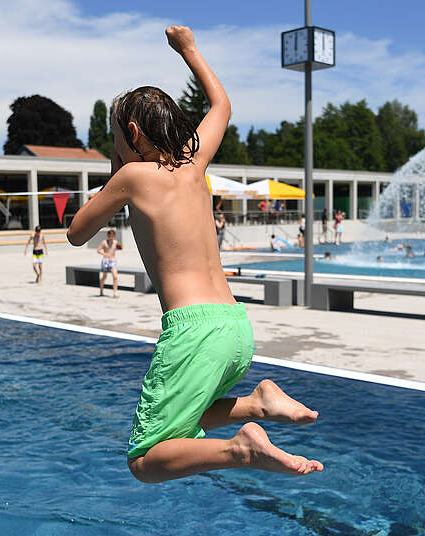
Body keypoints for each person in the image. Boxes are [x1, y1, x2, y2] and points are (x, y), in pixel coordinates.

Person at [66, 26, 322, 483]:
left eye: (115, 140)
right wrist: (189, 50)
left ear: (130, 133)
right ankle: (259, 403)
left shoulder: (133, 177)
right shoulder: (194, 162)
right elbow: (222, 105)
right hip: (235, 326)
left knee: (145, 460)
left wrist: (115, 169)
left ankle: (240, 448)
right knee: (190, 416)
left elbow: (76, 231)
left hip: (193, 330)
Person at [97, 229, 119, 298]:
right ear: (108, 236)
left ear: (114, 236)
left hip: (112, 261)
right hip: (105, 261)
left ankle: (115, 293)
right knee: (104, 277)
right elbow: (98, 250)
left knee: (115, 276)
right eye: (110, 236)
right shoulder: (104, 242)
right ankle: (101, 290)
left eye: (112, 236)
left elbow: (117, 249)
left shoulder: (115, 242)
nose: (111, 237)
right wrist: (105, 254)